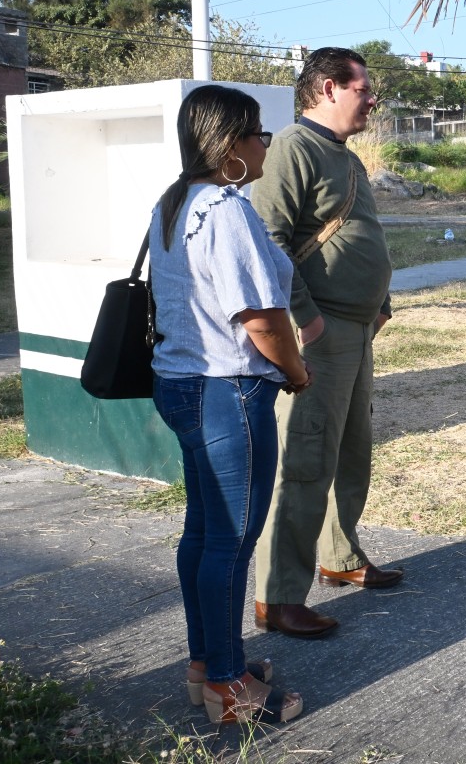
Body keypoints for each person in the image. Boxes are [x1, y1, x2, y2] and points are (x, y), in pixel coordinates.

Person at [149, 84, 310, 723]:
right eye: (258, 133)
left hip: (180, 385)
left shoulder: (174, 202)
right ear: (232, 147)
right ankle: (227, 686)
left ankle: (206, 662)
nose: (265, 143)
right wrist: (295, 373)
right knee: (233, 541)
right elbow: (262, 319)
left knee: (204, 532)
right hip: (228, 390)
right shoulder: (226, 209)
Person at [252, 47, 400, 639]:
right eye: (363, 89)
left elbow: (358, 232)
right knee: (306, 459)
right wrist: (306, 318)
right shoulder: (294, 146)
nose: (371, 99)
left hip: (357, 331)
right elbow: (268, 238)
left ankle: (340, 557)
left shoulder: (344, 156)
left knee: (351, 452)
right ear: (329, 88)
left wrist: (378, 303)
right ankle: (278, 596)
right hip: (321, 334)